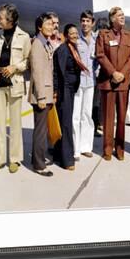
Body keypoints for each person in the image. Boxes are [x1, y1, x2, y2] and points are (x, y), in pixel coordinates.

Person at [0, 3, 31, 174]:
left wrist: (14, 67)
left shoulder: (24, 37)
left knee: (15, 123)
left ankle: (14, 159)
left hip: (15, 84)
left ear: (10, 20)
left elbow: (28, 60)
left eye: (1, 17)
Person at [95, 7, 130, 161]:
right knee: (108, 117)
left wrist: (121, 74)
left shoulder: (129, 36)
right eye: (119, 15)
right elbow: (100, 55)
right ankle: (107, 149)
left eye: (123, 15)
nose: (122, 17)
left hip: (123, 83)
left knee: (121, 118)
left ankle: (120, 149)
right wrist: (113, 73)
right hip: (108, 82)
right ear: (112, 19)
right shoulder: (103, 35)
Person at [53, 24, 88, 170]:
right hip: (64, 90)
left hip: (71, 89)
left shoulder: (73, 48)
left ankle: (58, 154)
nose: (74, 35)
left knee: (64, 121)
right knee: (66, 123)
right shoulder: (63, 50)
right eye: (71, 33)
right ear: (66, 35)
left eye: (76, 33)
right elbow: (57, 72)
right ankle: (67, 160)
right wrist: (56, 92)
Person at [28, 13, 56, 177]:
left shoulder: (46, 43)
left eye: (52, 24)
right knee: (40, 131)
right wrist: (40, 97)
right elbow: (37, 73)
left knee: (42, 129)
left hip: (45, 93)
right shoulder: (38, 44)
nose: (51, 27)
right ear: (40, 27)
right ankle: (39, 165)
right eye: (48, 24)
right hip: (41, 95)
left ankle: (37, 159)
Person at [72, 10, 98, 160]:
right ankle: (75, 148)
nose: (85, 24)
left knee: (87, 115)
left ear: (92, 23)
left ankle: (86, 147)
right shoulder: (76, 40)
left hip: (91, 82)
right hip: (78, 82)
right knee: (76, 115)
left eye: (88, 21)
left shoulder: (96, 40)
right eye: (83, 21)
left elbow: (99, 59)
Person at [92, 17, 110, 137]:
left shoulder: (93, 37)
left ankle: (96, 124)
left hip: (93, 74)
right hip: (98, 74)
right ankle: (97, 125)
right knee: (97, 102)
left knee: (94, 102)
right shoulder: (100, 38)